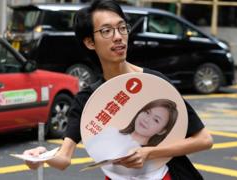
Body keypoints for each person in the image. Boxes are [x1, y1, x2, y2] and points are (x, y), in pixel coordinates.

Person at [23, 0, 213, 179]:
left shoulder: (153, 82)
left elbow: (204, 139)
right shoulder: (88, 99)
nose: (118, 37)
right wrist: (40, 157)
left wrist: (150, 152)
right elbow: (64, 158)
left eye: (122, 28)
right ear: (90, 42)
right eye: (106, 31)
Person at [84, 99, 178, 178]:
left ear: (162, 131)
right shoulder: (109, 133)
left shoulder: (156, 163)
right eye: (147, 112)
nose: (146, 119)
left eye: (156, 120)